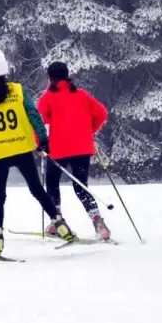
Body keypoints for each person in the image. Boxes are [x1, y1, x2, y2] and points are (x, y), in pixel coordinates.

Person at [0, 48, 74, 257]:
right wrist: (43, 139)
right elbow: (33, 114)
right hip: (23, 148)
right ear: (6, 69)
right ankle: (61, 226)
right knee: (37, 189)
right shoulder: (17, 90)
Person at [37, 62, 111, 240]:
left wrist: (39, 143)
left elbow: (37, 123)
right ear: (67, 75)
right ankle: (99, 224)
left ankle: (57, 223)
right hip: (83, 148)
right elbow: (102, 113)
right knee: (81, 187)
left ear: (50, 78)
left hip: (57, 149)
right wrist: (89, 131)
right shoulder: (81, 95)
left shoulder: (47, 98)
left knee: (52, 185)